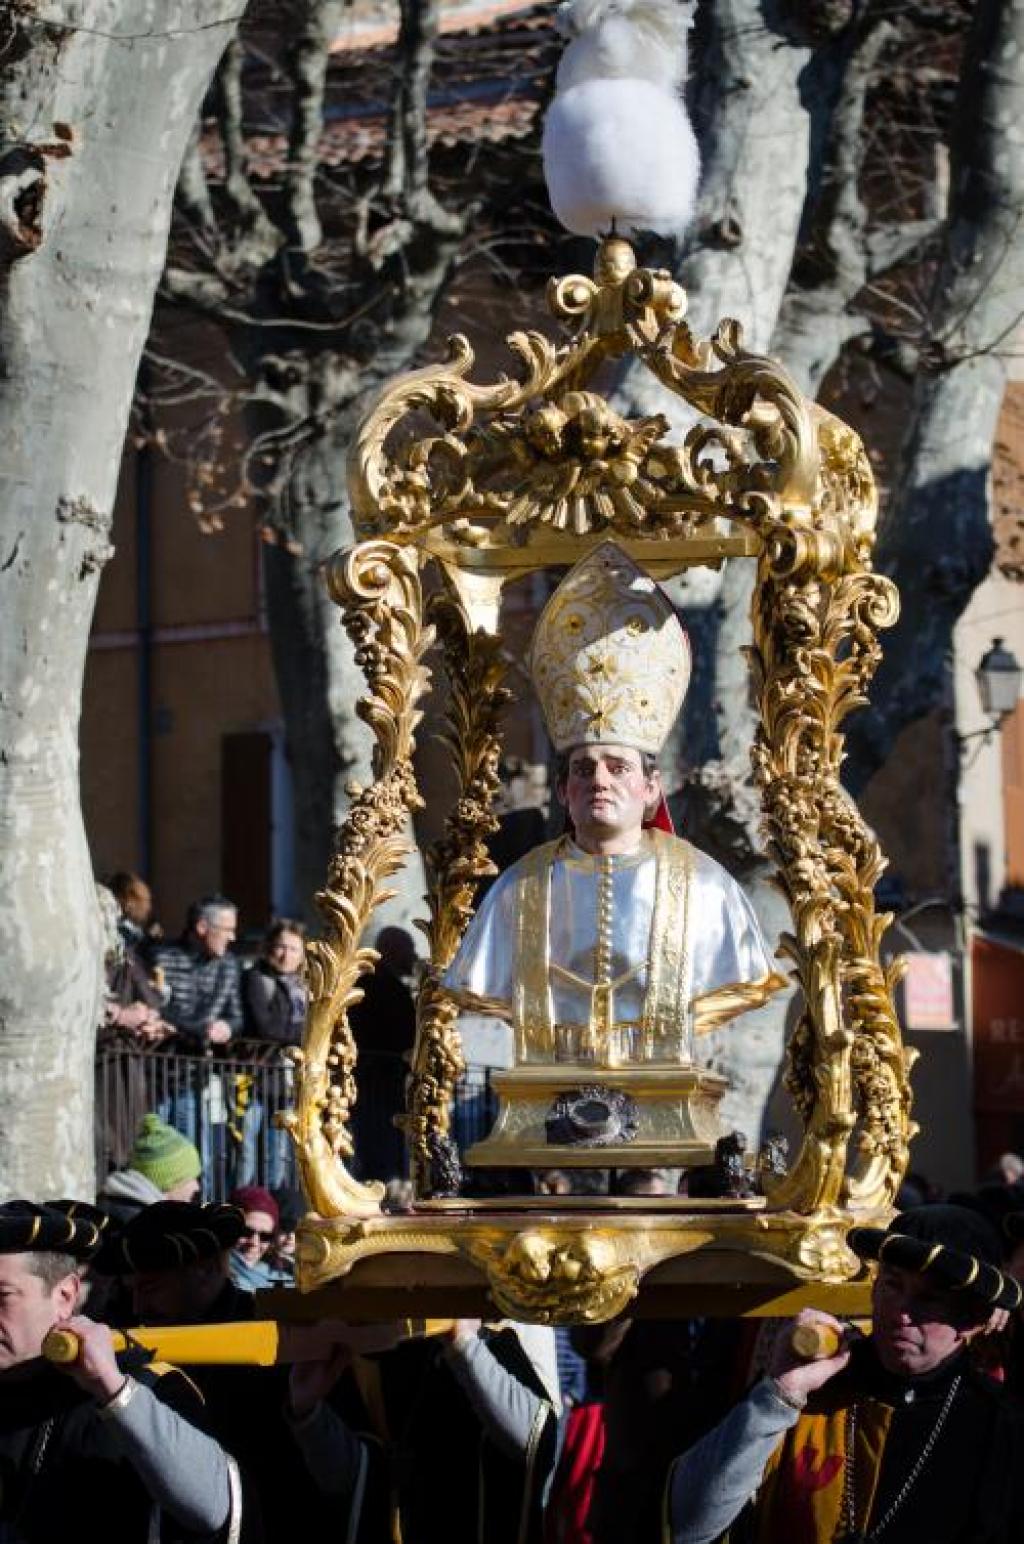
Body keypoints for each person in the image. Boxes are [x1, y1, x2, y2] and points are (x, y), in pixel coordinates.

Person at [443, 543, 784, 1168]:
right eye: (582, 768)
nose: (599, 780)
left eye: (617, 766)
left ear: (651, 786)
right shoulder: (517, 888)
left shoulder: (707, 888)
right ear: (564, 789)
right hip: (538, 1115)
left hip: (668, 1112)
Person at [666, 1204, 1024, 1544]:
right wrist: (777, 1396)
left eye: (928, 1299)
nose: (901, 1312)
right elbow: (688, 1526)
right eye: (892, 1286)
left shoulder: (998, 1421)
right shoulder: (810, 1389)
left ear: (971, 1319)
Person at [0, 1200, 240, 1543]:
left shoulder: (144, 1382)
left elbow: (215, 1507)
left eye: (2, 1296)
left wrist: (114, 1391)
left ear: (64, 1296)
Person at [348, 924, 419, 1180]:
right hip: (376, 1078)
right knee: (378, 1140)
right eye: (408, 949)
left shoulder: (390, 983)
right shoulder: (374, 983)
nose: (413, 956)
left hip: (388, 1077)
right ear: (392, 950)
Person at [239, 920, 306, 1189]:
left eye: (293, 949)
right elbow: (267, 1027)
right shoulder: (257, 978)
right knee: (249, 1150)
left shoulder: (304, 986)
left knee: (282, 1151)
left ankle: (278, 1211)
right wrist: (303, 1031)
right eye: (280, 947)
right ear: (269, 948)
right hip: (261, 1075)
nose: (285, 954)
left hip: (294, 1080)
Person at [98, 1113, 203, 1224]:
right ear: (169, 1181)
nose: (196, 1186)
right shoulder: (146, 1224)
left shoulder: (124, 1207)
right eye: (191, 1177)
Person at [228, 1185, 280, 1291]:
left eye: (265, 1236)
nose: (254, 1243)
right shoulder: (208, 1280)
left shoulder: (280, 1276)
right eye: (246, 1232)